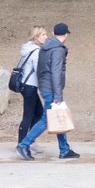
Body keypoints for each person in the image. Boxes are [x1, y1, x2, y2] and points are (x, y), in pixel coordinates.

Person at [17, 22, 79, 160]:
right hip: (52, 89)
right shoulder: (58, 50)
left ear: (53, 33)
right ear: (66, 34)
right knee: (47, 119)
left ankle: (64, 149)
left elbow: (41, 69)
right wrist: (58, 95)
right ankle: (24, 144)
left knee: (58, 116)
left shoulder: (46, 46)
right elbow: (56, 73)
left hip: (46, 87)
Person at [16, 26, 47, 145]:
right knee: (29, 115)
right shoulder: (36, 51)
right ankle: (23, 143)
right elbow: (39, 70)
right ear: (36, 37)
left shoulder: (27, 48)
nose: (46, 37)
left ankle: (29, 140)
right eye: (43, 34)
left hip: (26, 84)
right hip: (30, 86)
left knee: (38, 113)